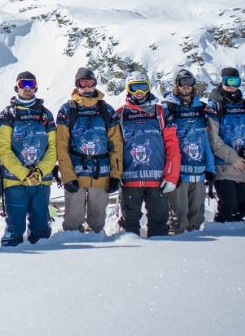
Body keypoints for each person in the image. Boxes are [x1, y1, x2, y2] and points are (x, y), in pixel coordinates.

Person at [55, 67, 121, 234]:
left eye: (90, 83)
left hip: (102, 174)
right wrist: (68, 176)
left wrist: (116, 175)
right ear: (77, 85)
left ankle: (98, 253)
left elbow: (116, 146)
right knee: (72, 223)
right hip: (76, 174)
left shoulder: (106, 110)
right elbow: (61, 146)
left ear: (95, 84)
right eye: (83, 83)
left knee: (98, 223)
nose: (86, 87)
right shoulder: (67, 110)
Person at [0, 71, 56, 246]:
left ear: (36, 87)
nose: (27, 88)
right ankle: (10, 262)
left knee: (41, 228)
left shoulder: (45, 115)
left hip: (41, 180)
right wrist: (24, 173)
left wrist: (39, 171)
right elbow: (3, 149)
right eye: (23, 84)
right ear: (16, 87)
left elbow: (53, 148)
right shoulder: (8, 115)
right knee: (15, 227)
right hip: (15, 180)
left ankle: (43, 266)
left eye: (31, 84)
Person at [116, 71, 180, 237]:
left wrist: (171, 176)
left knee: (159, 228)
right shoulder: (120, 114)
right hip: (130, 180)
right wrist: (115, 175)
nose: (139, 92)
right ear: (128, 89)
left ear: (149, 87)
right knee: (129, 230)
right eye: (134, 87)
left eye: (142, 87)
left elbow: (172, 146)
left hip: (156, 180)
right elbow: (114, 148)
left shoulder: (161, 113)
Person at [207, 68, 245, 222]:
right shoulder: (215, 106)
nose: (231, 86)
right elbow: (213, 139)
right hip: (225, 166)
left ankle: (240, 241)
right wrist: (234, 159)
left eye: (235, 82)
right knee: (229, 207)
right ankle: (225, 236)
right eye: (228, 81)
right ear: (222, 82)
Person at [161, 69, 214, 233]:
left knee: (197, 217)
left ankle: (196, 252)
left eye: (189, 83)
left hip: (198, 170)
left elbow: (206, 140)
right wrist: (170, 173)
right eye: (182, 82)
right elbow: (165, 143)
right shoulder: (168, 107)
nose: (185, 86)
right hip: (179, 172)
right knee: (178, 216)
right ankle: (179, 249)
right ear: (176, 84)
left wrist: (210, 168)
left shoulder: (201, 108)